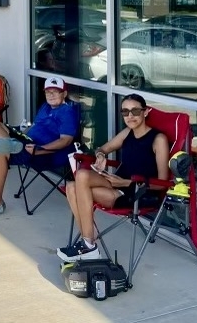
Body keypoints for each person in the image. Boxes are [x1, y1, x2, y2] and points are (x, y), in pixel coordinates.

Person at [56, 93, 170, 261]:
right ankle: (89, 243)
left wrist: (127, 182)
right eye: (125, 112)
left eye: (135, 111)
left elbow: (162, 184)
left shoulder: (158, 139)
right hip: (116, 184)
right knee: (76, 180)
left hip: (136, 194)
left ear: (145, 112)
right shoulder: (127, 133)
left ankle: (88, 244)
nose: (130, 116)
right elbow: (102, 148)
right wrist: (101, 156)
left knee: (75, 187)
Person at [0, 77, 80, 219]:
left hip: (40, 152)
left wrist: (40, 149)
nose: (51, 95)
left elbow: (66, 141)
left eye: (56, 92)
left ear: (64, 94)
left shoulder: (67, 112)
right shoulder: (45, 107)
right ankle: (11, 142)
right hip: (27, 142)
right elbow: (35, 127)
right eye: (48, 92)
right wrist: (21, 133)